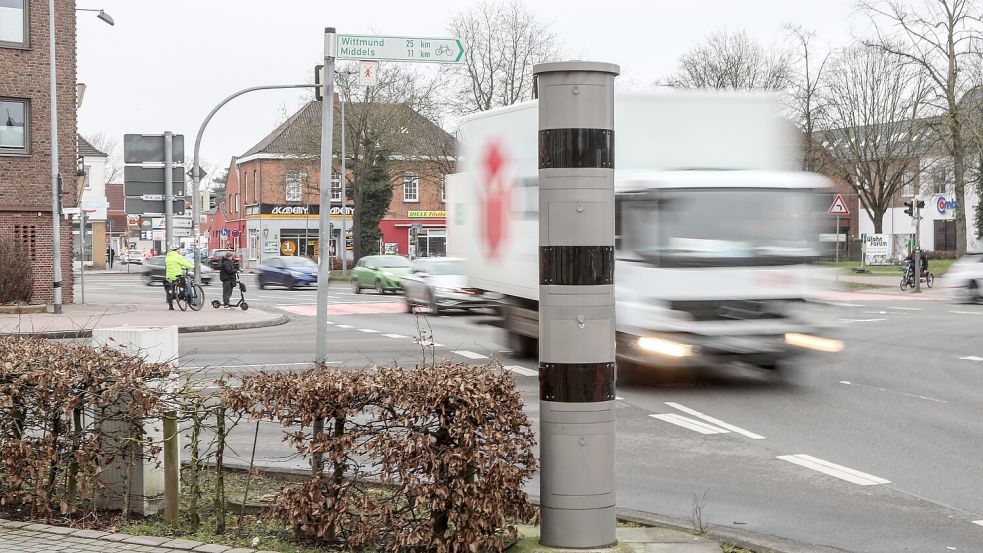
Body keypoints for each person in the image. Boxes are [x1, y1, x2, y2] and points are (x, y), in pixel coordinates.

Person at [164, 244, 193, 311]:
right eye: (179, 249)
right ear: (176, 250)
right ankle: (188, 299)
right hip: (177, 275)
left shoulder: (167, 257)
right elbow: (185, 263)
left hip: (169, 276)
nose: (179, 250)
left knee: (170, 290)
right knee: (186, 285)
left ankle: (170, 306)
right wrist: (192, 267)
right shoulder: (178, 256)